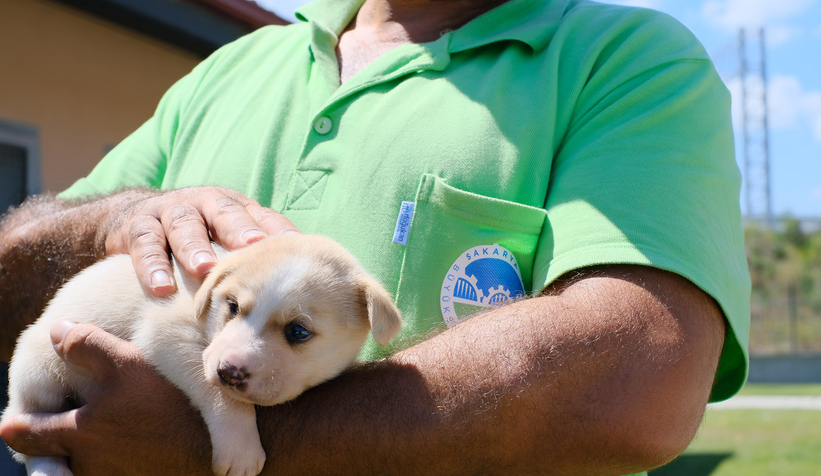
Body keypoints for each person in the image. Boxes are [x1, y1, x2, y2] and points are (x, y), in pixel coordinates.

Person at [0, 0, 750, 474]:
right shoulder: (229, 69)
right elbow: (16, 286)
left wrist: (219, 442)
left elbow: (637, 382)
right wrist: (114, 217)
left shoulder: (625, 60)